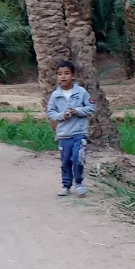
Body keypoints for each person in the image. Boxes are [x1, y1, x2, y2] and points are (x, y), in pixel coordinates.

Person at [46, 60, 95, 197]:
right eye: (60, 74)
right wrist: (61, 116)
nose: (63, 76)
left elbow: (91, 108)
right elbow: (50, 112)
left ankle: (79, 183)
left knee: (78, 158)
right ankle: (66, 185)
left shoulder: (81, 92)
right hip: (64, 134)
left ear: (73, 76)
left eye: (66, 73)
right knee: (65, 161)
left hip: (79, 132)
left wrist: (77, 111)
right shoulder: (55, 95)